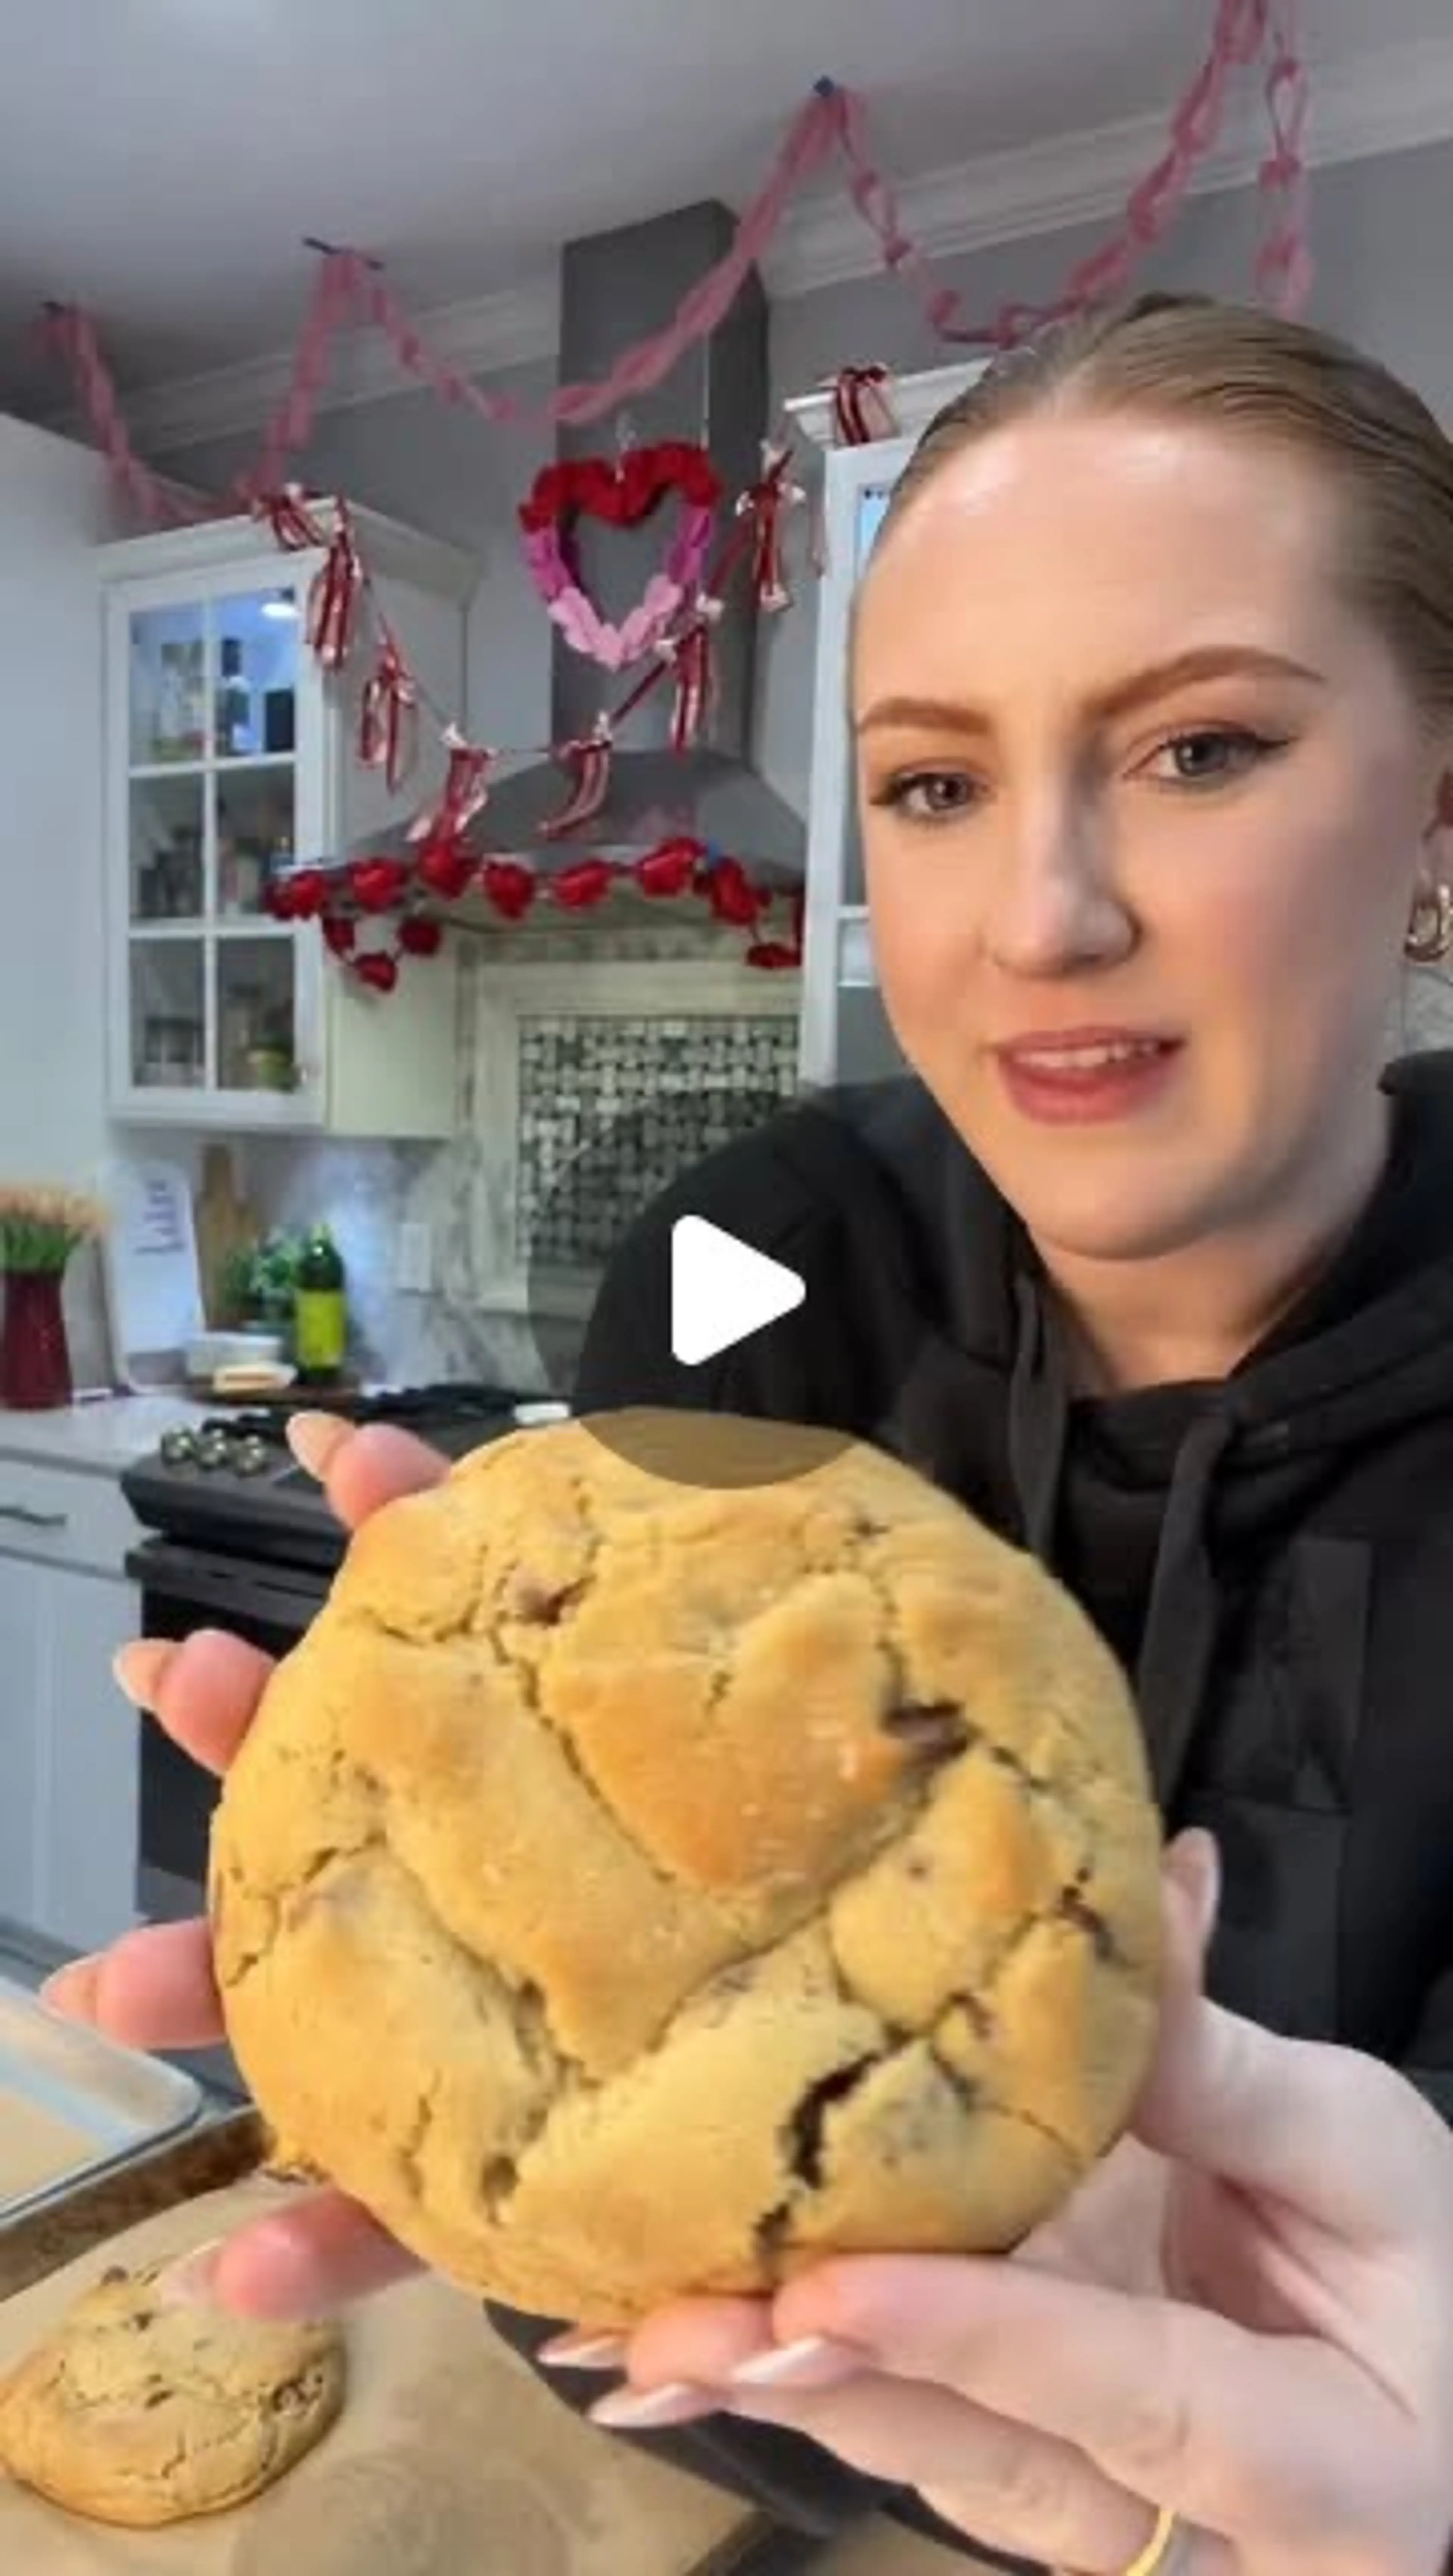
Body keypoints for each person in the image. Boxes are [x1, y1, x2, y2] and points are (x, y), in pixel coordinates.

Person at [45, 293, 1453, 2570]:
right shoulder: (756, 1252)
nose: (1042, 912)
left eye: (1201, 749)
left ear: (1440, 801)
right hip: (680, 2435)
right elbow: (581, 1751)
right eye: (931, 782)